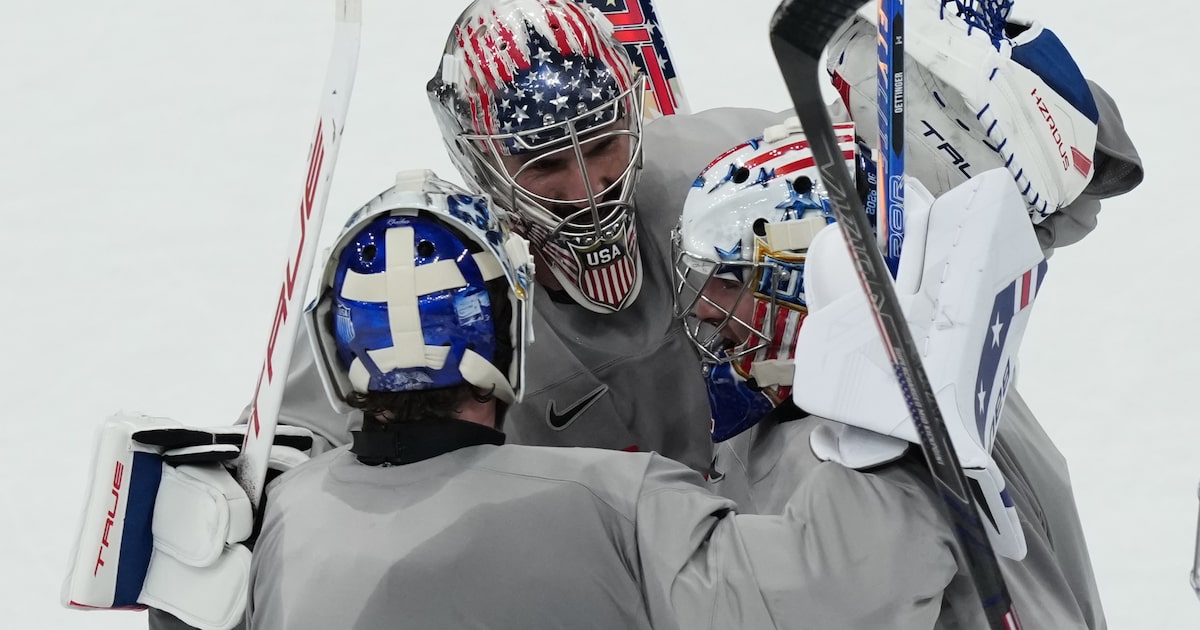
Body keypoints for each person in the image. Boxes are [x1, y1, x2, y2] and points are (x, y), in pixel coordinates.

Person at [245, 170, 973, 629]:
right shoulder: (613, 503)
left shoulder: (278, 519)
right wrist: (886, 412)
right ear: (507, 333)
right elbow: (839, 594)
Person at [672, 121, 1101, 627]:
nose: (702, 308)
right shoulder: (944, 361)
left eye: (727, 280)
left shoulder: (859, 463)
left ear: (800, 284)